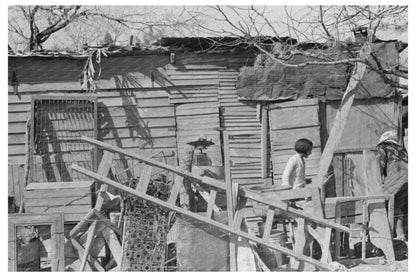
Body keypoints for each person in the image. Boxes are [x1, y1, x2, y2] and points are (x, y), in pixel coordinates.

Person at [376, 130, 408, 241]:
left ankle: (385, 236)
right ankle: (401, 235)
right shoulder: (401, 150)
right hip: (407, 179)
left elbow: (380, 165)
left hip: (396, 178)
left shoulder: (383, 148)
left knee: (383, 205)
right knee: (398, 206)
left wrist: (379, 181)